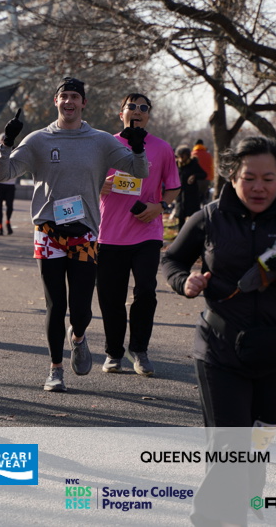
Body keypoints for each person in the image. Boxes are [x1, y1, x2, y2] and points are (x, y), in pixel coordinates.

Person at [160, 136, 276, 527]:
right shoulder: (209, 218)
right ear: (232, 177)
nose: (259, 187)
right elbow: (171, 260)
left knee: (257, 442)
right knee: (229, 446)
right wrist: (185, 281)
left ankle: (248, 497)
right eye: (249, 178)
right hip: (220, 349)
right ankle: (211, 518)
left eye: (268, 179)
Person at [0, 77, 148, 392]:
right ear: (56, 101)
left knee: (81, 309)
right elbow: (3, 173)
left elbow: (139, 171)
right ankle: (55, 370)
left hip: (85, 234)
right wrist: (6, 144)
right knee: (55, 305)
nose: (69, 102)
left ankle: (77, 336)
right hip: (48, 231)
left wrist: (137, 147)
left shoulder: (100, 140)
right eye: (64, 96)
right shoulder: (38, 139)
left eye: (75, 97)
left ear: (83, 103)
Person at [96, 93, 180, 375]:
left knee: (146, 291)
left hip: (147, 231)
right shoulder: (104, 144)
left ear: (148, 116)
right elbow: (85, 178)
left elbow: (174, 186)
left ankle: (140, 350)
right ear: (121, 113)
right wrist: (98, 184)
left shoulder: (162, 148)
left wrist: (161, 206)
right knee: (111, 297)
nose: (138, 111)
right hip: (109, 233)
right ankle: (113, 353)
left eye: (144, 108)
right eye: (131, 106)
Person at [175, 145, 207, 230]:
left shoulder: (193, 164)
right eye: (179, 156)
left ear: (188, 155)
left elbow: (204, 174)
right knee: (181, 216)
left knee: (193, 215)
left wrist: (194, 176)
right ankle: (180, 234)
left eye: (183, 155)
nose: (181, 158)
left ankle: (194, 233)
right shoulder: (176, 164)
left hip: (191, 194)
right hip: (180, 194)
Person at [191, 138, 214, 204]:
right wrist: (211, 178)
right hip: (207, 180)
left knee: (195, 198)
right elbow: (212, 166)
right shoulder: (208, 155)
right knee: (204, 197)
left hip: (196, 179)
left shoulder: (192, 154)